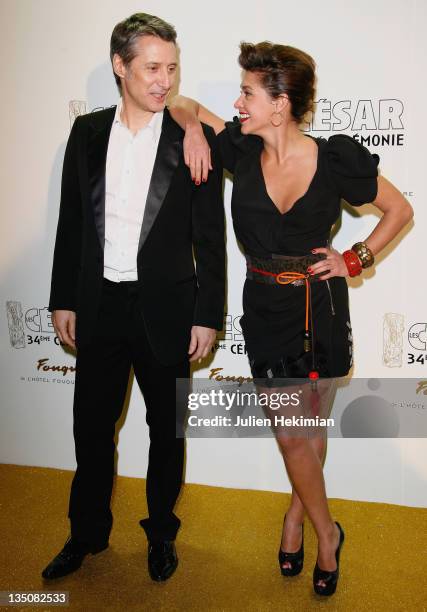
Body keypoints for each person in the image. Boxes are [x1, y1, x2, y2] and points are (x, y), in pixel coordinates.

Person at [169, 41, 413, 596]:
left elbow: (400, 210)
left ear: (280, 104)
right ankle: (329, 534)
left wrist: (355, 258)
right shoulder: (237, 146)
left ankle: (296, 518)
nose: (238, 101)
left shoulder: (334, 161)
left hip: (321, 308)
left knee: (309, 432)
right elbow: (181, 102)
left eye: (249, 92)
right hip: (266, 312)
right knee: (292, 438)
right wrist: (189, 129)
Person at [42, 13, 225, 583]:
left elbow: (210, 238)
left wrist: (207, 315)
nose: (163, 80)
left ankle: (161, 534)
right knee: (91, 430)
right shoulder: (87, 133)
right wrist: (62, 299)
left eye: (171, 68)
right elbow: (71, 223)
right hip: (98, 307)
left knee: (166, 434)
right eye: (151, 67)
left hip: (168, 310)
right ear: (120, 67)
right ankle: (86, 534)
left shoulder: (191, 140)